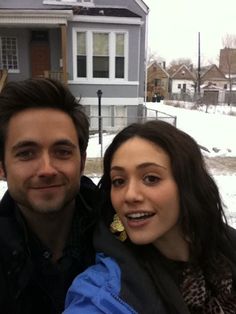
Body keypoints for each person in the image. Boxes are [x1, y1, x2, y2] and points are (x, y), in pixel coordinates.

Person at [64, 120, 236, 314]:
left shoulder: (225, 252)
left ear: (188, 185)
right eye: (119, 181)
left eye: (151, 178)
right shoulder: (102, 295)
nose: (129, 195)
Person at [0, 78, 100, 314]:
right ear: (2, 167)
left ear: (82, 161)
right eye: (26, 154)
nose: (46, 169)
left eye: (62, 152)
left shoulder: (125, 233)